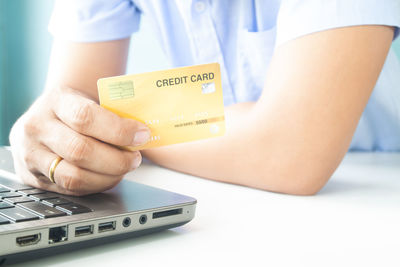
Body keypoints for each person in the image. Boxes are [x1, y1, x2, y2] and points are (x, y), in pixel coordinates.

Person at [9, 0, 400, 196]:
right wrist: (46, 138)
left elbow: (293, 153)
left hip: (368, 190)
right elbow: (72, 110)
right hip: (216, 192)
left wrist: (112, 135)